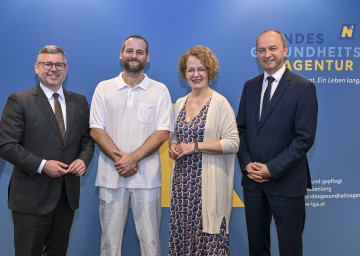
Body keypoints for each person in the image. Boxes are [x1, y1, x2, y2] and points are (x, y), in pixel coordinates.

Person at [0, 45, 95, 256]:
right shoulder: (19, 101)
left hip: (66, 198)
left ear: (66, 68)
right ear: (37, 67)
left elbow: (87, 139)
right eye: (48, 64)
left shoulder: (79, 102)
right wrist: (43, 165)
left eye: (59, 64)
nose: (54, 69)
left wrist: (83, 160)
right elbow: (6, 145)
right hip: (31, 198)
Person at [237, 30, 318, 256]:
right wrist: (247, 164)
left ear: (285, 50)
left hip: (287, 182)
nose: (267, 54)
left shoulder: (303, 87)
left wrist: (271, 169)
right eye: (262, 50)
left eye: (272, 48)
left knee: (290, 249)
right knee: (257, 247)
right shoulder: (250, 86)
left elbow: (304, 139)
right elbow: (240, 129)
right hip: (253, 182)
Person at [90, 35, 172, 256]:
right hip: (111, 178)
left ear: (147, 57)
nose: (134, 56)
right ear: (121, 54)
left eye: (139, 52)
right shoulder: (104, 88)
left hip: (147, 180)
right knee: (109, 243)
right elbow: (96, 129)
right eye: (130, 51)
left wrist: (133, 158)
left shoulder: (160, 90)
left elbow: (163, 131)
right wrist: (122, 160)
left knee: (151, 243)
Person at [168, 45, 240, 255]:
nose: (196, 74)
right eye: (191, 70)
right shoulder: (180, 103)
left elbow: (233, 143)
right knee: (183, 240)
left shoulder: (220, 103)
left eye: (201, 69)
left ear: (210, 72)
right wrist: (173, 146)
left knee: (209, 243)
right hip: (182, 188)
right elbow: (174, 135)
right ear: (184, 74)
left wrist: (196, 147)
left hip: (208, 189)